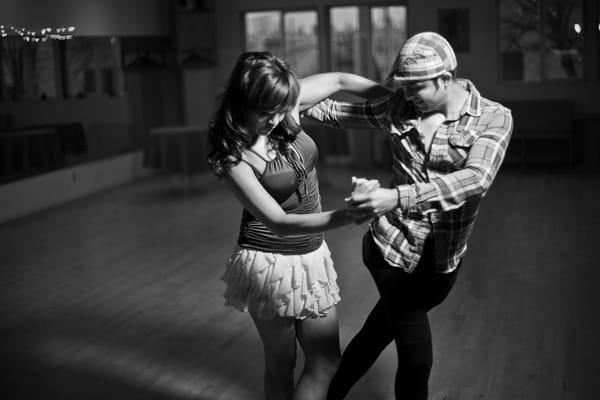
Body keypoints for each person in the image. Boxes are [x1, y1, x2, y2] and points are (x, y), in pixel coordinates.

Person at [303, 32, 514, 399]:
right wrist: (281, 101)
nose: (407, 95)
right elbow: (332, 112)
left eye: (416, 87)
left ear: (445, 79)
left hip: (443, 260)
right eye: (402, 87)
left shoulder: (492, 118)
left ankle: (331, 392)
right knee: (417, 359)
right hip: (390, 250)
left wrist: (396, 196)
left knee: (377, 333)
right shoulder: (399, 108)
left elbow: (476, 178)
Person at [207, 51, 388, 400]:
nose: (276, 118)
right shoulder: (233, 155)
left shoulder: (281, 104)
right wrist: (348, 215)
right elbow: (279, 222)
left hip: (312, 256)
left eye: (281, 109)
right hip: (268, 262)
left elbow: (340, 80)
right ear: (243, 102)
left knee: (326, 360)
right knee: (281, 362)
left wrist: (395, 99)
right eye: (265, 112)